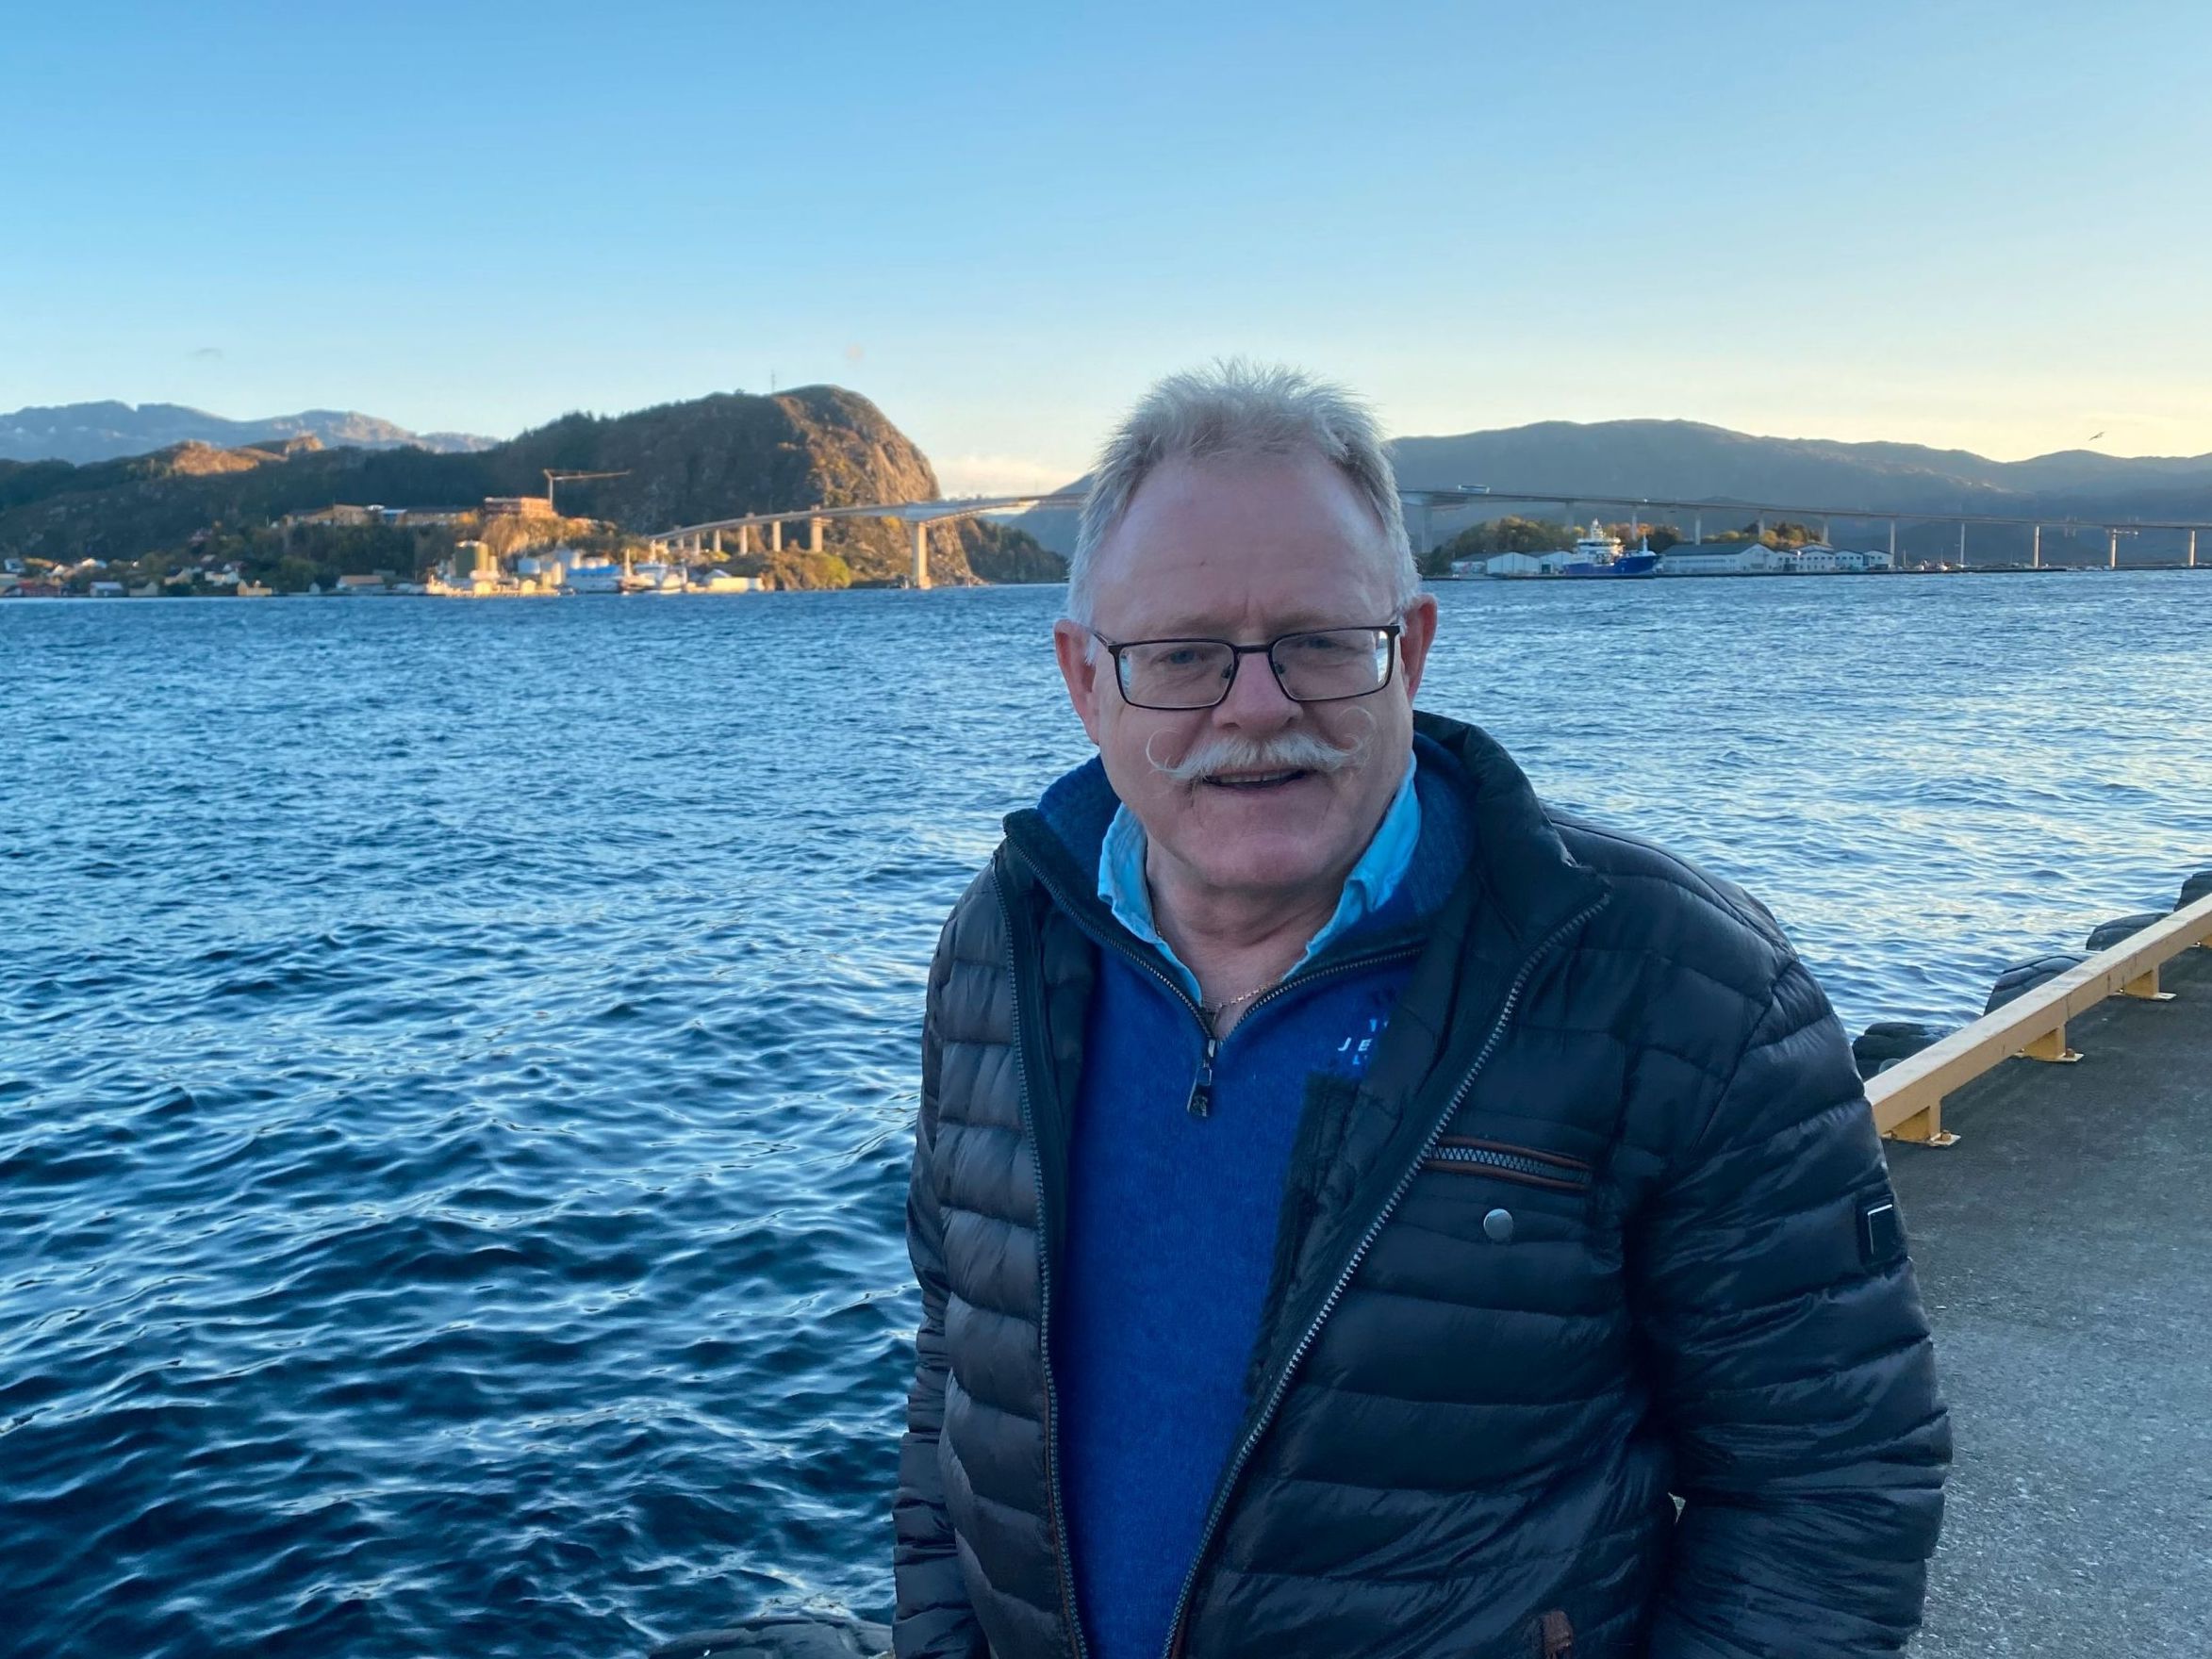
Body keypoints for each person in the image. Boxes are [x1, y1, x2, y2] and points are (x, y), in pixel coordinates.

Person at [893, 362, 1949, 1658]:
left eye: (1319, 642)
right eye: (1180, 657)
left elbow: (1829, 1486)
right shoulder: (1003, 942)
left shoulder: (1678, 985)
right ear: (1082, 679)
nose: (1258, 706)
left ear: (1412, 650)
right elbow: (958, 1363)